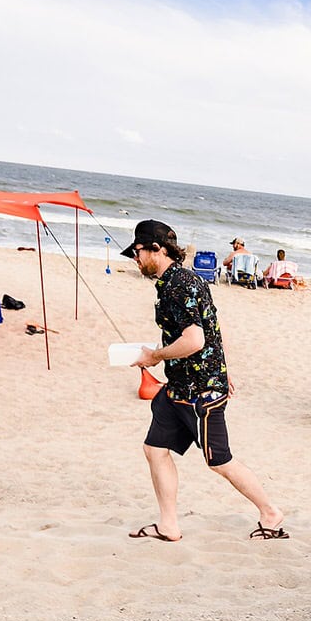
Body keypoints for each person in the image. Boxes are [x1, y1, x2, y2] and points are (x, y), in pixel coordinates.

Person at [124, 220, 287, 542]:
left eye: (138, 252)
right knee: (155, 449)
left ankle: (270, 512)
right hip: (179, 388)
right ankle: (168, 525)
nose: (135, 259)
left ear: (157, 249)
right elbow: (212, 328)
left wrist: (154, 356)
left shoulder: (179, 285)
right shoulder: (179, 280)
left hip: (201, 393)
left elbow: (195, 339)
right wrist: (222, 369)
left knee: (219, 461)